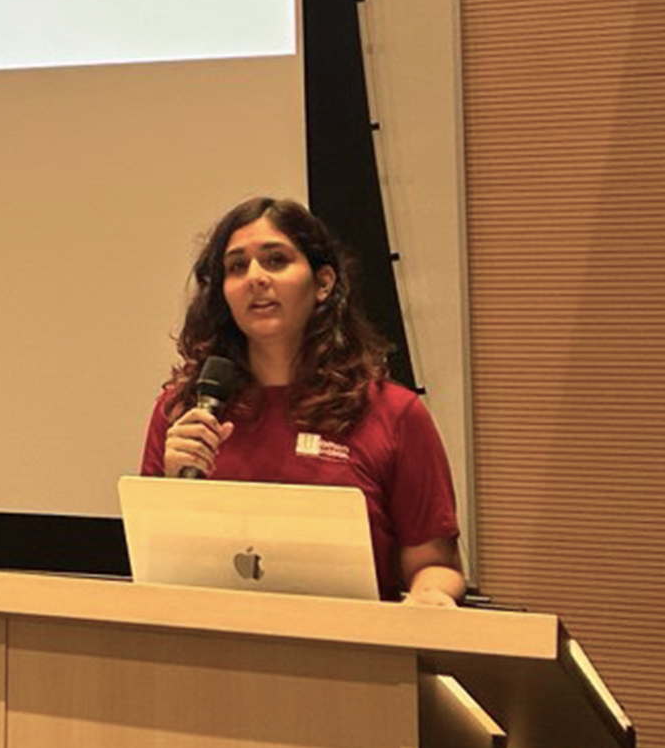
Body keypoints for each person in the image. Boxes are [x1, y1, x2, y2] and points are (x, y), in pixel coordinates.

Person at [140, 196, 465, 605]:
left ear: (324, 283)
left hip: (349, 650)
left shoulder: (394, 414)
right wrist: (173, 490)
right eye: (237, 266)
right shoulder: (183, 412)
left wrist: (431, 598)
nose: (255, 277)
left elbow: (435, 565)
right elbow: (151, 571)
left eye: (275, 260)